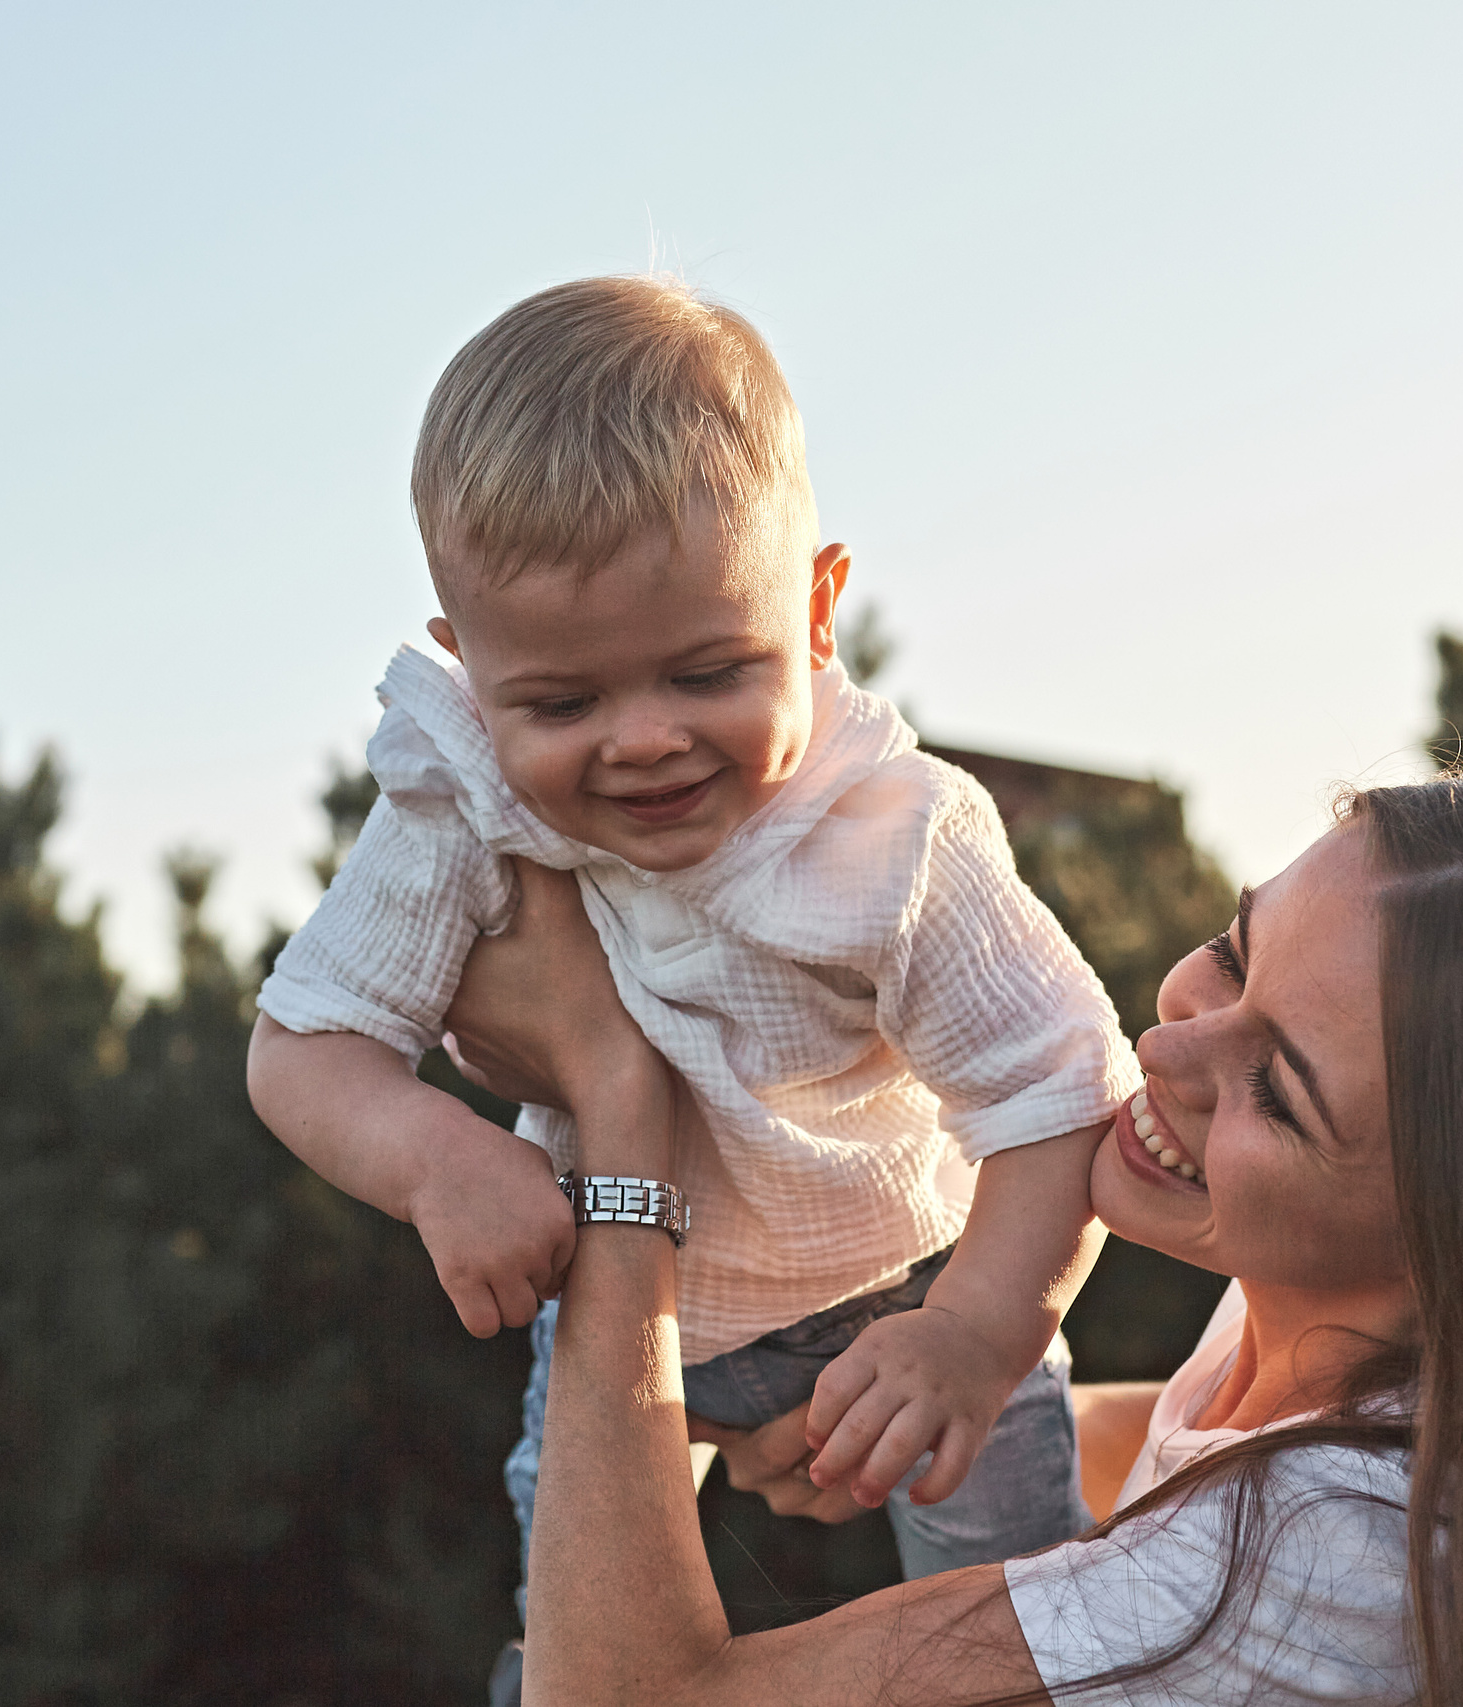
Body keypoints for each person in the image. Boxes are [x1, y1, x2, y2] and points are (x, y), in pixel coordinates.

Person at [442, 771, 1463, 1706]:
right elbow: (1178, 1445)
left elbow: (626, 1695)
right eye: (1230, 951)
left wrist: (619, 1119)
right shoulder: (1345, 1340)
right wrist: (892, 1415)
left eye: (1274, 1092)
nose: (1171, 1054)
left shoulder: (1322, 1562)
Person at [244, 275, 1138, 1641]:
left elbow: (1061, 1094)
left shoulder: (893, 836)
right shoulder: (462, 804)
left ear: (820, 609)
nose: (644, 739)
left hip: (909, 1289)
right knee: (579, 1613)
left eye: (710, 672)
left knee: (1009, 1604)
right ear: (468, 669)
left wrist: (976, 1334)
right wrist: (434, 1158)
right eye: (561, 700)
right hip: (619, 1298)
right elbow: (304, 1045)